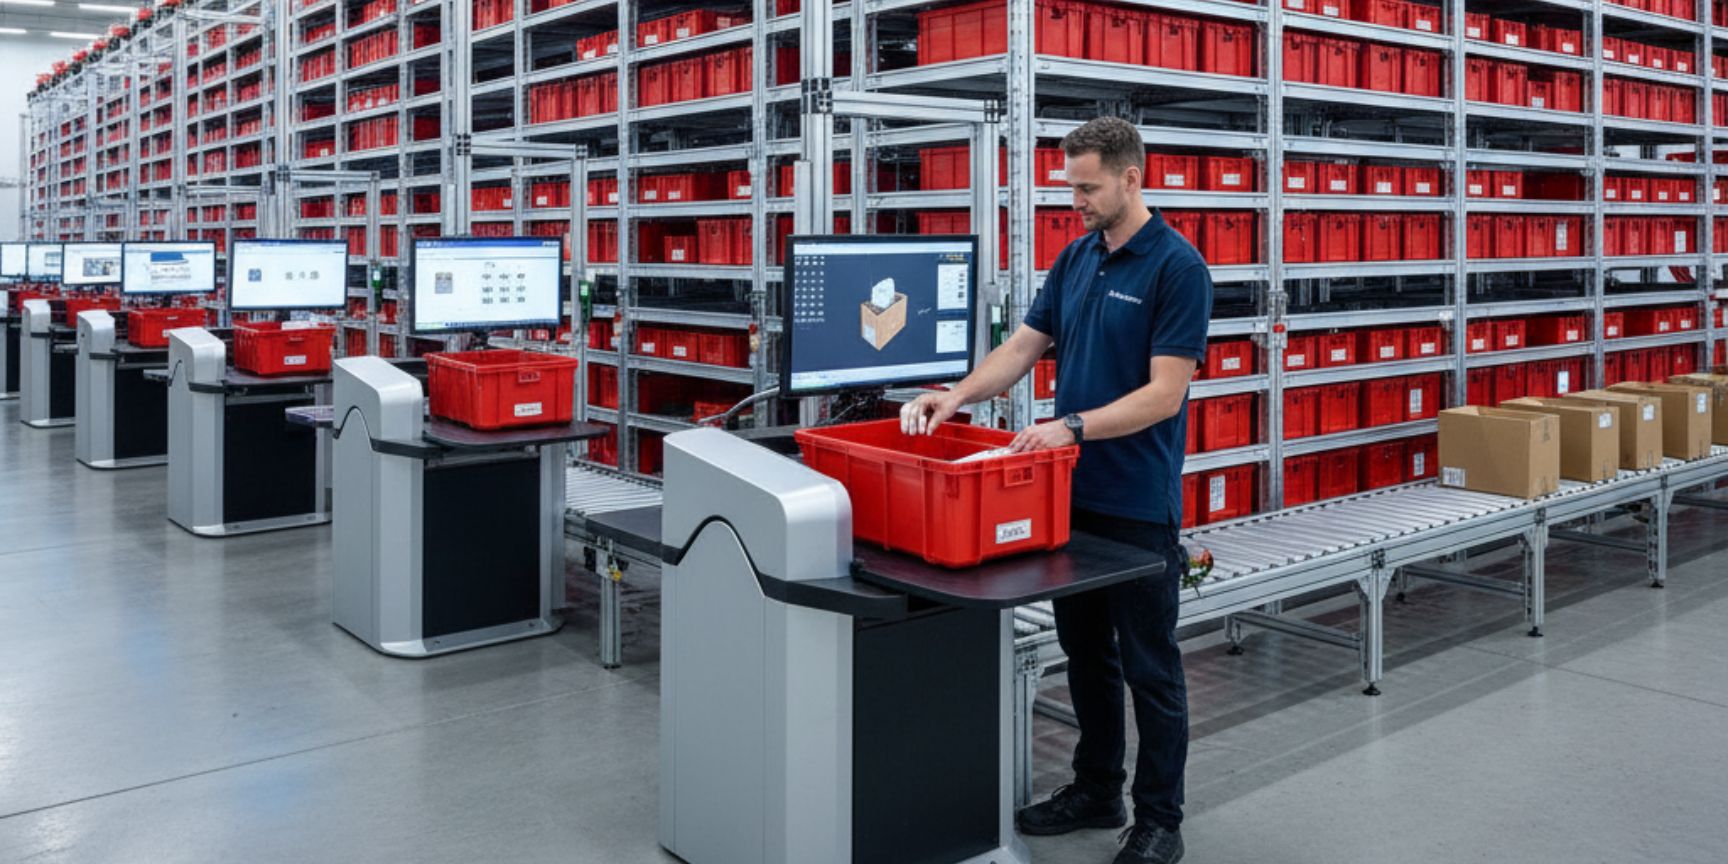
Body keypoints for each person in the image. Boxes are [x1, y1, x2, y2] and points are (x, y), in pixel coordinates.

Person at [899, 116, 1212, 864]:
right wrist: (957, 395)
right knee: (1085, 653)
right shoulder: (1076, 259)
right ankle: (1097, 787)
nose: (1074, 199)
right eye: (1069, 184)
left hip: (1137, 504)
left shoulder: (1177, 267)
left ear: (1131, 178)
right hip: (1068, 498)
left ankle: (1160, 819)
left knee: (1150, 666)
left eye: (1086, 186)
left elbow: (1165, 395)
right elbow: (1022, 347)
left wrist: (1071, 427)